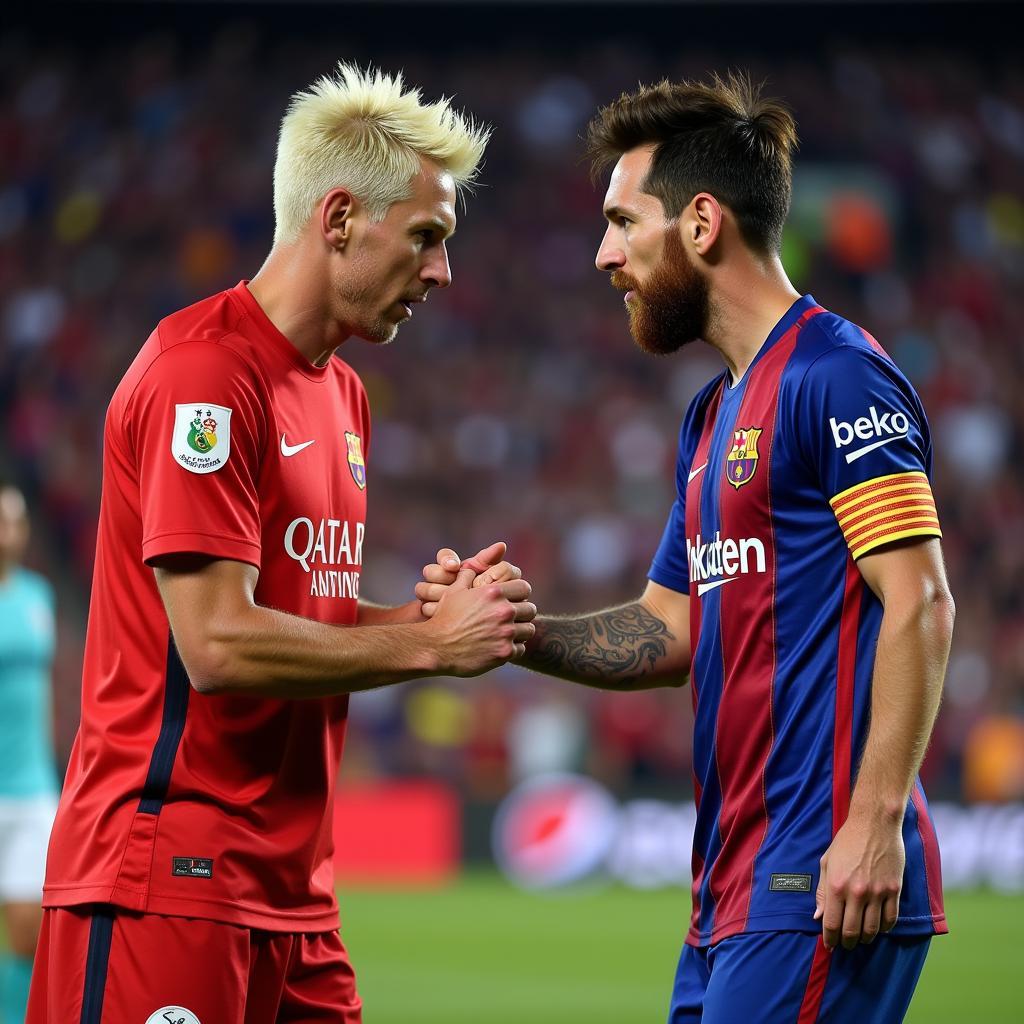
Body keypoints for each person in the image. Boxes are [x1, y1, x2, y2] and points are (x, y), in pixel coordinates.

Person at [418, 73, 955, 1023]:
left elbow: (921, 602)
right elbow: (671, 628)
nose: (603, 254)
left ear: (701, 224)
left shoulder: (837, 377)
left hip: (821, 881)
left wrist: (871, 824)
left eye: (625, 222)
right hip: (730, 894)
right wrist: (516, 629)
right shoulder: (712, 417)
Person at [28, 63, 534, 1024]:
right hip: (164, 880)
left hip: (293, 896)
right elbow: (216, 645)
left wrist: (427, 618)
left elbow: (304, 628)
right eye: (427, 237)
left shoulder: (341, 392)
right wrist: (425, 645)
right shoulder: (206, 376)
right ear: (339, 216)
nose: (442, 271)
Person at [0, 482, 58, 1024]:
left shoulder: (39, 597)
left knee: (28, 932)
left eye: (15, 521)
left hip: (31, 786)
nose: (9, 532)